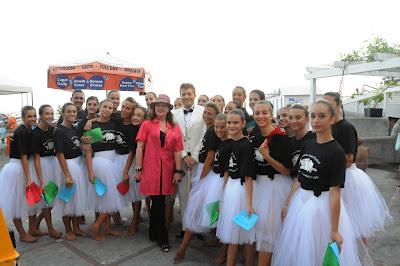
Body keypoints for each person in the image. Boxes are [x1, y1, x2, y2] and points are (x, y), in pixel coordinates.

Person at [273, 100, 371, 266]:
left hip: (321, 209)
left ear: (332, 119)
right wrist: (287, 203)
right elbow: (299, 179)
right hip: (301, 204)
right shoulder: (308, 145)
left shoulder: (336, 152)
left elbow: (335, 193)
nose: (316, 120)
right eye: (313, 116)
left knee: (318, 252)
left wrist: (334, 230)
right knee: (301, 252)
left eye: (322, 116)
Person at [323, 92, 392, 241]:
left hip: (347, 180)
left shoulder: (345, 127)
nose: (325, 106)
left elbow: (349, 159)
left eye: (329, 103)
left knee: (356, 223)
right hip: (333, 178)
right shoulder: (327, 126)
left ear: (339, 106)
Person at [134, 94, 184, 252]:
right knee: (158, 203)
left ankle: (154, 232)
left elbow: (177, 150)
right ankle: (162, 238)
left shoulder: (174, 127)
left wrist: (177, 170)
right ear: (153, 108)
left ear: (169, 108)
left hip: (168, 169)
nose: (160, 107)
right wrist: (138, 169)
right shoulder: (147, 124)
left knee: (159, 203)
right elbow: (140, 147)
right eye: (157, 105)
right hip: (150, 168)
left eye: (164, 105)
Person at [173, 103, 220, 263]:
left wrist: (201, 180)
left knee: (200, 207)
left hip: (208, 175)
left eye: (210, 114)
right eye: (205, 113)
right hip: (205, 172)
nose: (206, 116)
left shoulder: (214, 131)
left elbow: (209, 158)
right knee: (208, 208)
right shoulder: (209, 130)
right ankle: (213, 236)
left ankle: (185, 247)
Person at [250, 101, 292, 266]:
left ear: (271, 114)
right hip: (258, 187)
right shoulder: (254, 134)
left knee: (269, 233)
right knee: (260, 231)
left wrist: (266, 156)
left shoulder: (280, 138)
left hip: (275, 188)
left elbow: (287, 171)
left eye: (264, 113)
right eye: (257, 113)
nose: (260, 116)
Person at [216, 109, 256, 266]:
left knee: (243, 236)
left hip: (241, 191)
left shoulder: (246, 146)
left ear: (243, 123)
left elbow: (248, 177)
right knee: (233, 235)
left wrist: (248, 203)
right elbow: (227, 170)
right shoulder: (231, 143)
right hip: (231, 190)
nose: (231, 125)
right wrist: (222, 196)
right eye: (229, 122)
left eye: (235, 122)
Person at [85, 100, 125, 241]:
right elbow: (89, 151)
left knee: (108, 196)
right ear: (100, 108)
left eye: (110, 107)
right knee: (107, 195)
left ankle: (107, 227)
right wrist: (90, 172)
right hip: (101, 162)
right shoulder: (93, 126)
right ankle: (96, 226)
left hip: (113, 161)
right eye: (105, 107)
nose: (107, 109)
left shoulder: (114, 124)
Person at [172, 83, 207, 239]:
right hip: (181, 159)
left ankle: (199, 228)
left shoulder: (203, 111)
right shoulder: (174, 114)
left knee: (198, 194)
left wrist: (195, 155)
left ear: (194, 94)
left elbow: (204, 134)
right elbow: (174, 137)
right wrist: (184, 155)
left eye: (188, 93)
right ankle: (185, 227)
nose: (186, 96)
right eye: (183, 93)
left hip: (198, 160)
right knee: (183, 194)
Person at [0, 106, 39, 243]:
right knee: (16, 203)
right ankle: (22, 234)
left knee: (31, 200)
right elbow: (23, 156)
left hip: (26, 167)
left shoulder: (30, 130)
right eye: (29, 116)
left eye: (34, 116)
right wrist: (28, 177)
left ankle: (33, 229)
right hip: (18, 168)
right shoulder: (21, 131)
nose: (33, 119)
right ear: (23, 118)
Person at [55, 103, 89, 241]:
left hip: (77, 165)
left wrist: (83, 143)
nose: (72, 114)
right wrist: (67, 175)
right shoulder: (59, 131)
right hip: (67, 167)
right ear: (62, 113)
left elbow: (75, 145)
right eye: (68, 111)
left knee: (77, 199)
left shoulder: (74, 129)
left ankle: (76, 228)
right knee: (67, 199)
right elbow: (59, 154)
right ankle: (68, 229)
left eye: (74, 112)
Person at [30, 105, 63, 239]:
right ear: (40, 115)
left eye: (51, 113)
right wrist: (41, 180)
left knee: (52, 198)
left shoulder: (52, 129)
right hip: (42, 166)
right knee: (46, 200)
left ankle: (37, 222)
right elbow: (36, 158)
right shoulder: (35, 134)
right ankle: (50, 229)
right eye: (46, 114)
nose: (49, 116)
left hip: (53, 163)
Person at [114, 98, 143, 236]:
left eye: (128, 108)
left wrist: (126, 171)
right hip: (117, 159)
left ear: (132, 111)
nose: (124, 110)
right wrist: (90, 121)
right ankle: (116, 218)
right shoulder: (117, 120)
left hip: (129, 161)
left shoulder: (133, 128)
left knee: (135, 193)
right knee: (119, 189)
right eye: (123, 106)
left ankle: (135, 220)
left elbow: (132, 151)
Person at [287, 104, 315, 177]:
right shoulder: (289, 142)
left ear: (307, 119)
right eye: (290, 117)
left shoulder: (314, 138)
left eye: (298, 117)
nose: (293, 121)